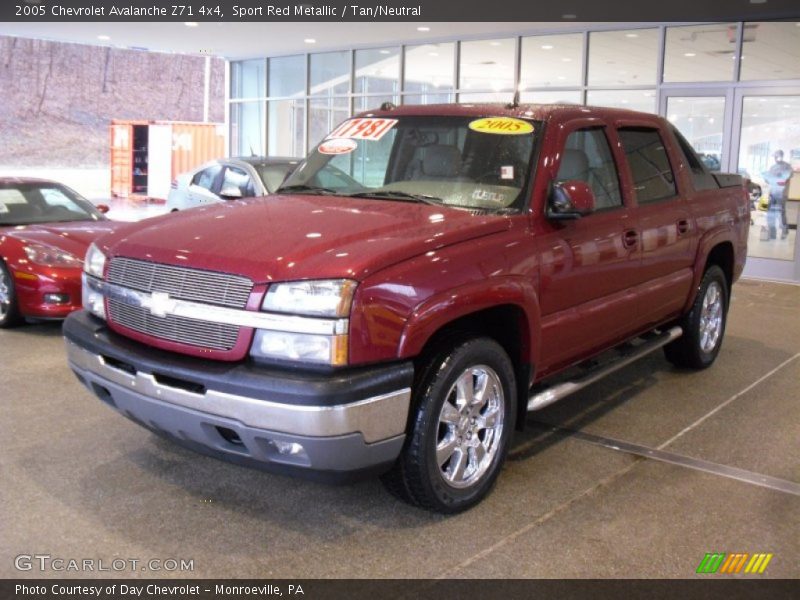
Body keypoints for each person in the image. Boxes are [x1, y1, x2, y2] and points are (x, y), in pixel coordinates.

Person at [763, 150, 792, 240]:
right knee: (769, 213)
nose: (775, 158)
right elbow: (768, 180)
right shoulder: (773, 167)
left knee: (781, 213)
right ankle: (772, 233)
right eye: (774, 156)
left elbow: (786, 179)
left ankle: (784, 231)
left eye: (776, 156)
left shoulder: (787, 166)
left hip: (781, 193)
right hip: (772, 192)